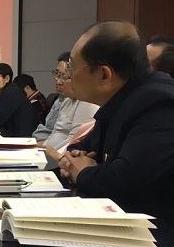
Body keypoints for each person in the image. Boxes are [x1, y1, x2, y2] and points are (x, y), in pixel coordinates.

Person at [59, 20, 174, 218]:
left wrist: (83, 173)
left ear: (104, 75)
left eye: (71, 67)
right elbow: (79, 148)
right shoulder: (120, 99)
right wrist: (74, 162)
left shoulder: (158, 103)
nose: (68, 77)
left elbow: (126, 179)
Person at [33, 56, 98, 164]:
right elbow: (55, 133)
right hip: (49, 157)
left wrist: (50, 154)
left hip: (59, 161)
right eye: (57, 75)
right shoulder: (66, 100)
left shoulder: (87, 103)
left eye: (65, 76)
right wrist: (42, 147)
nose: (58, 82)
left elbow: (74, 142)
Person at [0, 63, 37, 136]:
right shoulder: (2, 93)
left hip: (21, 138)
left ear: (7, 79)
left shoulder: (11, 93)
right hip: (11, 134)